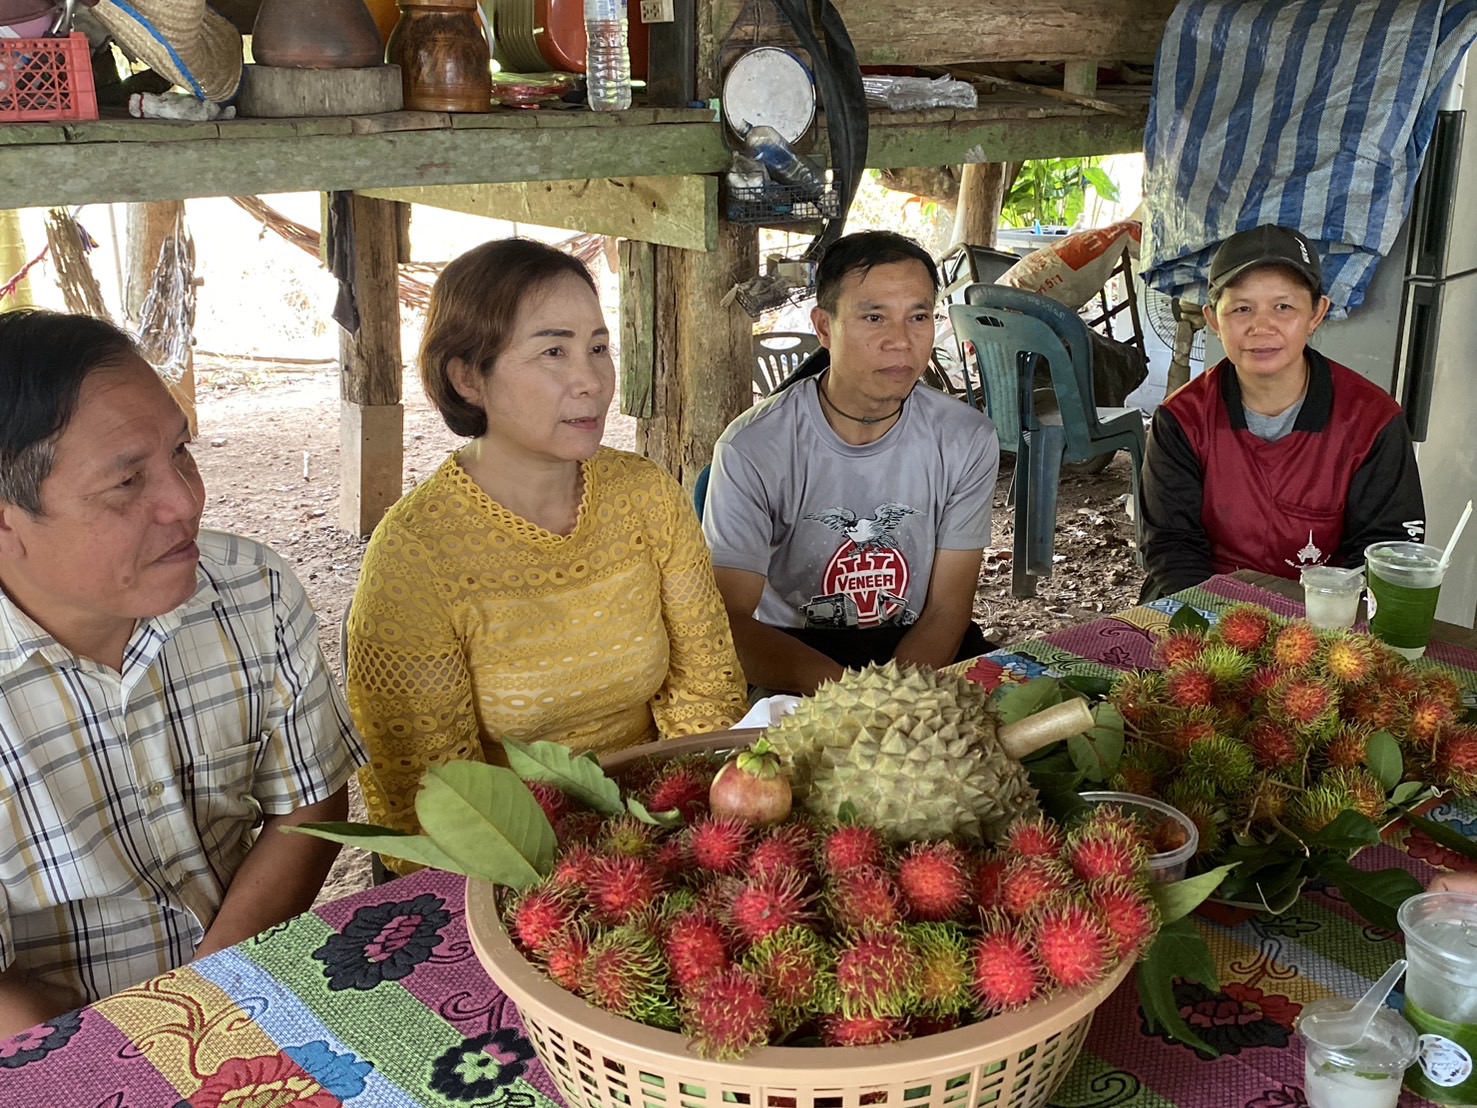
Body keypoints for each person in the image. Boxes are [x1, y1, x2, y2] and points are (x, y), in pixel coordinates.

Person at [0, 310, 364, 1039]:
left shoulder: (250, 590)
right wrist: (115, 1062)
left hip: (243, 983)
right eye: (128, 481)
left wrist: (212, 997)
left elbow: (308, 802)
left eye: (181, 452)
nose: (187, 501)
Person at [347, 238, 746, 861]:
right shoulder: (417, 556)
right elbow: (435, 794)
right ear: (467, 377)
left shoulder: (645, 495)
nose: (590, 380)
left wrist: (699, 822)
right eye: (553, 351)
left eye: (598, 348)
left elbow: (706, 690)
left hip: (657, 820)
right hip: (514, 857)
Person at [702, 231, 999, 696]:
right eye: (874, 316)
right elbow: (731, 621)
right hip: (795, 656)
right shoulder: (753, 448)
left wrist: (893, 697)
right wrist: (850, 701)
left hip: (919, 649)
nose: (900, 341)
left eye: (918, 316)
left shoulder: (965, 439)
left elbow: (948, 607)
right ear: (824, 328)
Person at [1139, 224, 1425, 598]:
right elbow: (1172, 547)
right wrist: (1219, 626)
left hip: (1323, 614)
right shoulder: (1181, 420)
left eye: (1283, 306)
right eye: (1242, 308)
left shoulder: (1372, 421)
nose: (1262, 327)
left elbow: (1384, 553)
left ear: (1316, 314)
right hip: (1204, 604)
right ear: (1213, 319)